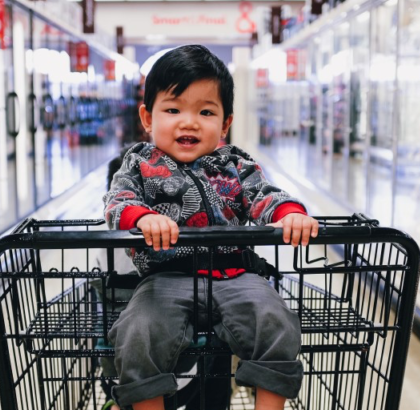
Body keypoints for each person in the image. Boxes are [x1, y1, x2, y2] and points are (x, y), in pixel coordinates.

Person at [103, 45, 319, 410]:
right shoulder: (138, 163)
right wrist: (142, 218)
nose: (189, 122)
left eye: (205, 112)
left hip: (236, 274)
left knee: (275, 320)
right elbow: (117, 203)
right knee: (138, 332)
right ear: (147, 117)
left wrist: (290, 213)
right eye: (172, 110)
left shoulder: (236, 164)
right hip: (165, 275)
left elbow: (263, 195)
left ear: (225, 123)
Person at [95, 146, 232, 410]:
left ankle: (118, 403)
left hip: (118, 376)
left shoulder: (103, 239)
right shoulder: (184, 233)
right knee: (219, 330)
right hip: (186, 376)